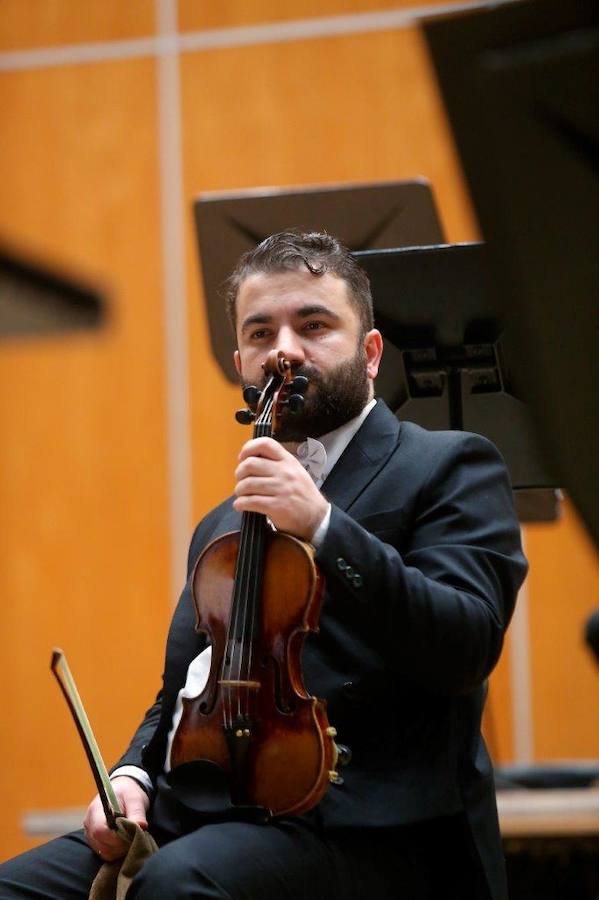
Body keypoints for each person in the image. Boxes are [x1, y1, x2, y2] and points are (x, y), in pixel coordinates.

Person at [0, 231, 527, 899]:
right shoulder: (224, 523)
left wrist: (325, 527)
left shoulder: (450, 466)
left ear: (369, 354)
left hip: (369, 830)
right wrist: (130, 775)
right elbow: (192, 688)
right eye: (260, 333)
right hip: (209, 810)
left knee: (177, 883)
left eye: (313, 325)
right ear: (242, 363)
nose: (284, 349)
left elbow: (464, 644)